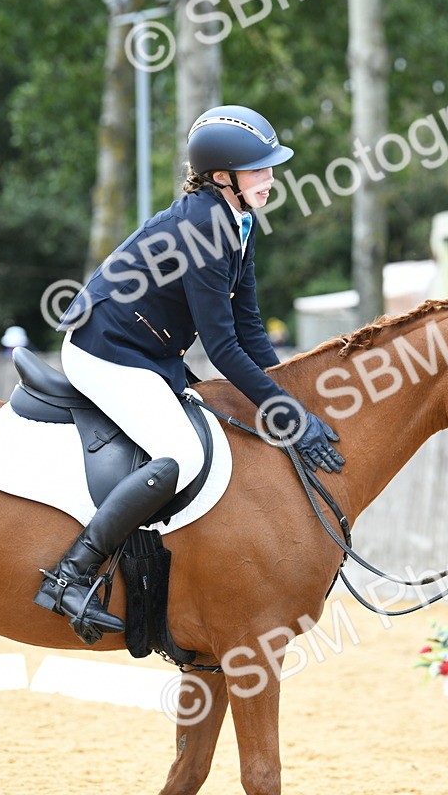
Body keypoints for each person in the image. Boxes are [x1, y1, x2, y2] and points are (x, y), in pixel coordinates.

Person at [34, 105, 345, 643]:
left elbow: (248, 327)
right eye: (259, 169)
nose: (271, 179)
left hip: (147, 351)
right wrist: (287, 415)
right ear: (223, 175)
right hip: (105, 349)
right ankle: (72, 574)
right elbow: (222, 349)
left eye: (271, 167)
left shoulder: (238, 221)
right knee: (183, 453)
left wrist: (292, 394)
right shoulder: (205, 226)